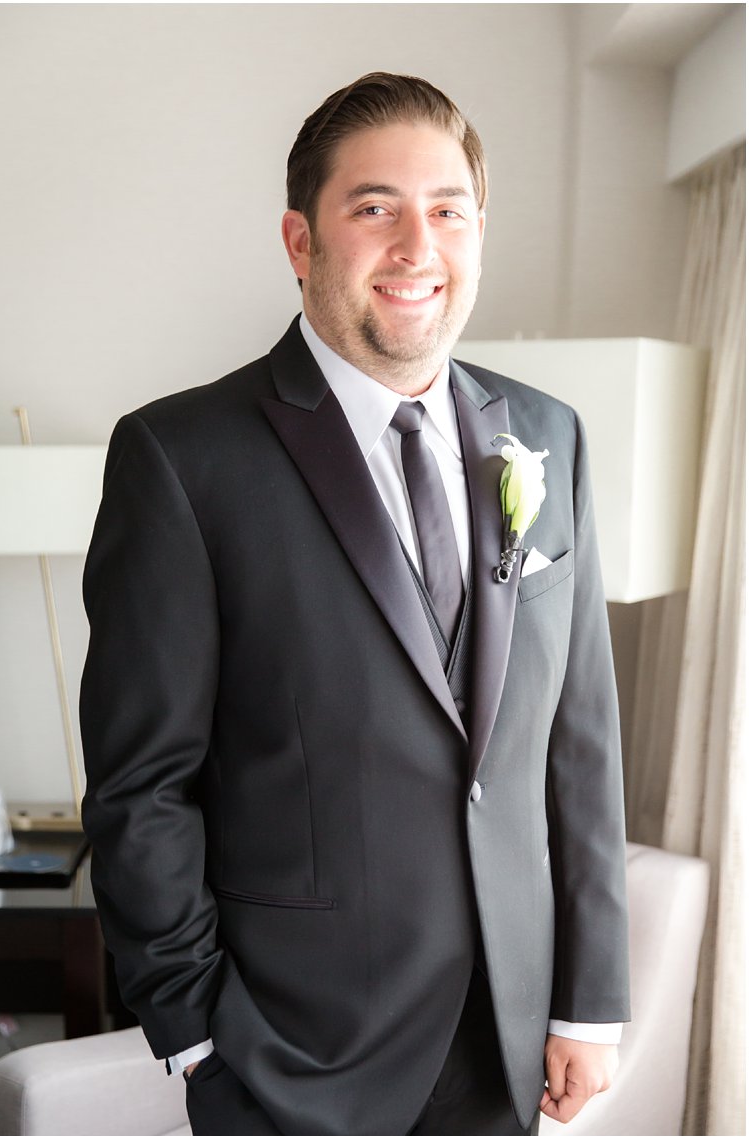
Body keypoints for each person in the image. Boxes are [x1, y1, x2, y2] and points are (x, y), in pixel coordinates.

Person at [79, 73, 628, 1136]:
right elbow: (142, 783)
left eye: (446, 210)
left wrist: (587, 999)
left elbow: (581, 741)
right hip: (291, 1057)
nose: (416, 245)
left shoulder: (547, 438)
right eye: (374, 207)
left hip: (509, 1047)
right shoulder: (180, 458)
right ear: (300, 240)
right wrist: (196, 1033)